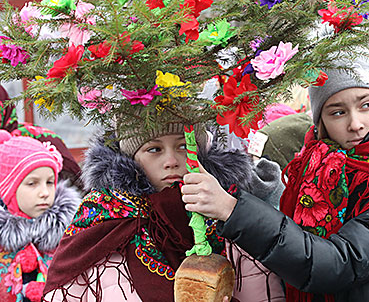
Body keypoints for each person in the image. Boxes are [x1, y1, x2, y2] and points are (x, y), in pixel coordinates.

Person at [182, 50, 369, 301]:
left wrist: (233, 210)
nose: (355, 124)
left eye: (366, 105)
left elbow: (339, 263)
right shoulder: (316, 162)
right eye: (338, 112)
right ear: (321, 122)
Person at [42, 118, 284, 301]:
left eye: (182, 146)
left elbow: (261, 290)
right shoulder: (105, 215)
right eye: (154, 149)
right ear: (132, 158)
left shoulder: (226, 210)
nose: (171, 161)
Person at [0, 130, 82, 302]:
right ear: (7, 189)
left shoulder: (69, 236)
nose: (45, 193)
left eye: (50, 182)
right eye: (32, 183)